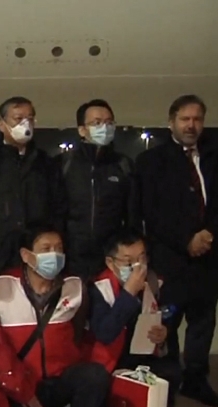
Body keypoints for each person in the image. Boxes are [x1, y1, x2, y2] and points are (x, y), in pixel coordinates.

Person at [136, 95, 218, 407]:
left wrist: (209, 234)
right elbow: (151, 212)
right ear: (171, 122)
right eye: (185, 119)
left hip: (208, 257)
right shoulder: (153, 162)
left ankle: (196, 379)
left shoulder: (216, 158)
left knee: (203, 322)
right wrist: (185, 240)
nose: (191, 125)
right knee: (167, 323)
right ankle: (168, 377)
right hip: (172, 257)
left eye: (197, 119)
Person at [0, 223, 110, 407]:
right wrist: (20, 390)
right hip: (21, 383)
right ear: (26, 255)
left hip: (59, 378)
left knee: (95, 376)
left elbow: (77, 335)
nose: (54, 255)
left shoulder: (75, 287)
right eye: (45, 248)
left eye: (59, 248)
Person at [88, 229, 183, 407]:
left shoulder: (154, 282)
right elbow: (104, 333)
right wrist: (128, 293)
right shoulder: (98, 290)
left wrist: (164, 332)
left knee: (172, 373)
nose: (137, 267)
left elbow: (169, 311)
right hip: (111, 361)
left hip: (142, 355)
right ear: (111, 263)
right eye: (128, 261)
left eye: (141, 259)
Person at [0, 96, 63, 276]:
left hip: (36, 252)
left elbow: (58, 205)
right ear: (1, 123)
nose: (25, 124)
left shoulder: (45, 162)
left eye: (30, 119)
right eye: (18, 119)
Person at [56, 99, 140, 279]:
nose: (105, 127)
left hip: (110, 261)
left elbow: (132, 215)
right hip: (71, 260)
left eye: (109, 122)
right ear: (82, 130)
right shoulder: (65, 164)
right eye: (97, 123)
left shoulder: (123, 165)